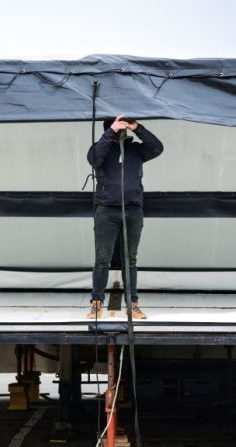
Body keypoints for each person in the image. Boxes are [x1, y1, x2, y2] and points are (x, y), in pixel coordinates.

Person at [86, 115, 164, 319]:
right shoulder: (101, 148)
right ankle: (96, 303)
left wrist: (137, 128)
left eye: (123, 126)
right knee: (102, 259)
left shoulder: (135, 149)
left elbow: (157, 147)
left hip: (132, 209)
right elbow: (94, 160)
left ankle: (133, 304)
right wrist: (110, 132)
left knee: (130, 260)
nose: (122, 129)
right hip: (106, 210)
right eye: (118, 125)